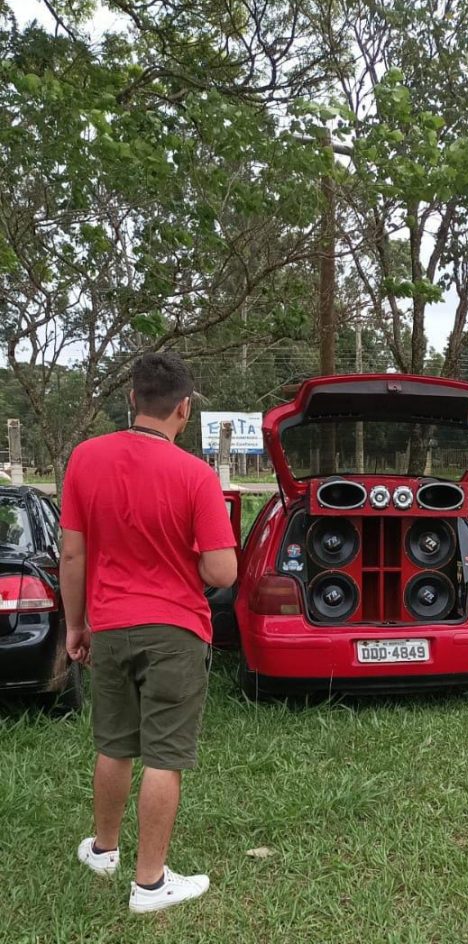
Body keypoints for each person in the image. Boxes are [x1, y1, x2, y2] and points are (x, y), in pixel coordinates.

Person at [60, 352, 237, 914]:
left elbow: (71, 553)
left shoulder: (86, 458)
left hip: (108, 627)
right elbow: (222, 572)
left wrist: (75, 624)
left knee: (113, 745)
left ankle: (104, 850)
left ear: (132, 400)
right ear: (184, 408)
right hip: (176, 632)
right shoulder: (196, 475)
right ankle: (151, 884)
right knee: (164, 756)